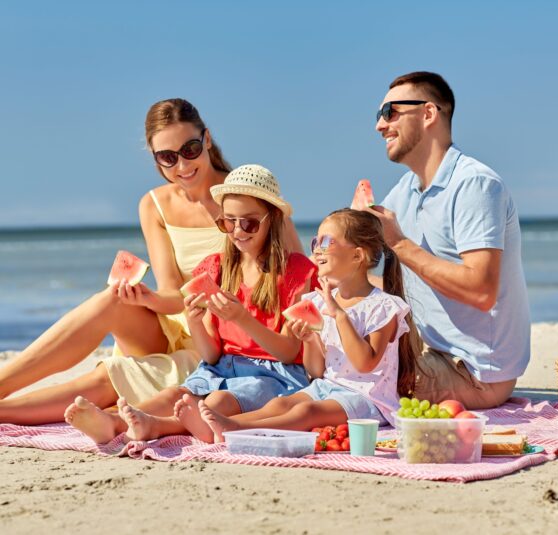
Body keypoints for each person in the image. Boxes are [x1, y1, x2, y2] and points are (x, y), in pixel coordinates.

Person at [0, 99, 301, 419]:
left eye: (190, 150)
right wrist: (149, 298)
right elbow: (174, 292)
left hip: (223, 341)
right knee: (109, 302)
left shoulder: (245, 198)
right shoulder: (153, 204)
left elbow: (297, 273)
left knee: (111, 375)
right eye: (168, 158)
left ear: (207, 140)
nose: (182, 167)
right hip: (181, 320)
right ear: (155, 157)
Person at [63, 165, 317, 444]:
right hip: (221, 367)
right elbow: (210, 355)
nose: (238, 231)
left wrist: (242, 318)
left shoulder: (296, 271)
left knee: (217, 401)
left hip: (274, 376)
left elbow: (288, 350)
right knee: (174, 395)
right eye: (228, 222)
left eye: (250, 223)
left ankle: (155, 427)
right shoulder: (216, 269)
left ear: (274, 218)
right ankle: (113, 422)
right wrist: (195, 320)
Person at [173, 209, 423, 443]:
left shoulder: (383, 306)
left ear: (357, 255)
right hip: (326, 387)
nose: (317, 251)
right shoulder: (320, 301)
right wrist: (310, 341)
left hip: (368, 400)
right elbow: (315, 371)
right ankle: (221, 425)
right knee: (280, 405)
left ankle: (236, 430)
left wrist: (340, 317)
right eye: (315, 243)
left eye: (326, 243)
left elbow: (364, 364)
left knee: (306, 411)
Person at [367, 71, 530, 409]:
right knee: (328, 357)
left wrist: (399, 244)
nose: (380, 126)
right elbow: (388, 281)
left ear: (428, 114)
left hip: (475, 372)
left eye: (390, 113)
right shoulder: (404, 193)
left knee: (356, 381)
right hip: (427, 353)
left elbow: (481, 292)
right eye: (379, 116)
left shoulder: (475, 185)